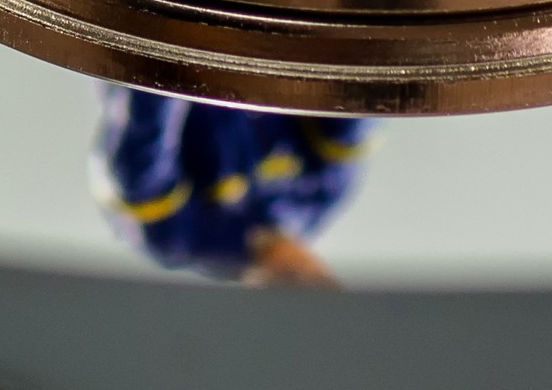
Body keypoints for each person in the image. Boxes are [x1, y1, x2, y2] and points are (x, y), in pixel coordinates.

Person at [90, 89, 373, 286]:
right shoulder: (323, 194)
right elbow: (356, 92)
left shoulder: (180, 238)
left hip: (172, 31)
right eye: (317, 283)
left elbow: (141, 142)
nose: (298, 276)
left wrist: (179, 49)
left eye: (288, 290)